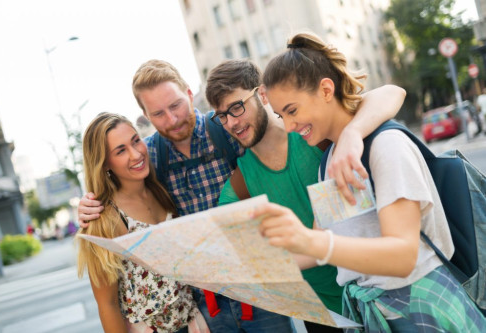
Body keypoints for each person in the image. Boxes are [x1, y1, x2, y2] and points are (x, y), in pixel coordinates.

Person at [77, 59, 402, 332]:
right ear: (146, 118)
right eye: (158, 114)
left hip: (275, 297)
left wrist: (351, 136)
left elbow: (386, 95)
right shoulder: (147, 157)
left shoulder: (233, 130)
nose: (172, 119)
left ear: (190, 95)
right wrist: (91, 204)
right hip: (210, 306)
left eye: (176, 105)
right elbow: (114, 172)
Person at [257, 31, 486, 332]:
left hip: (423, 313)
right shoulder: (328, 162)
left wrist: (314, 242)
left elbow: (404, 255)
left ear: (326, 90)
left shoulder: (385, 145)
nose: (287, 126)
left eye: (292, 111)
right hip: (382, 317)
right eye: (279, 115)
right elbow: (314, 243)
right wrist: (250, 268)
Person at [206, 59, 404, 332]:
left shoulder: (311, 132)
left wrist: (352, 134)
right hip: (324, 315)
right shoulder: (242, 180)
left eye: (236, 107)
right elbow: (220, 233)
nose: (231, 122)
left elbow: (392, 93)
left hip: (378, 292)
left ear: (262, 94)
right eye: (222, 116)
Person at [76, 112, 207, 333]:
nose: (136, 154)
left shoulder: (161, 191)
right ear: (105, 163)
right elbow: (107, 304)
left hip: (193, 323)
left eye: (136, 140)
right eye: (120, 151)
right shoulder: (104, 219)